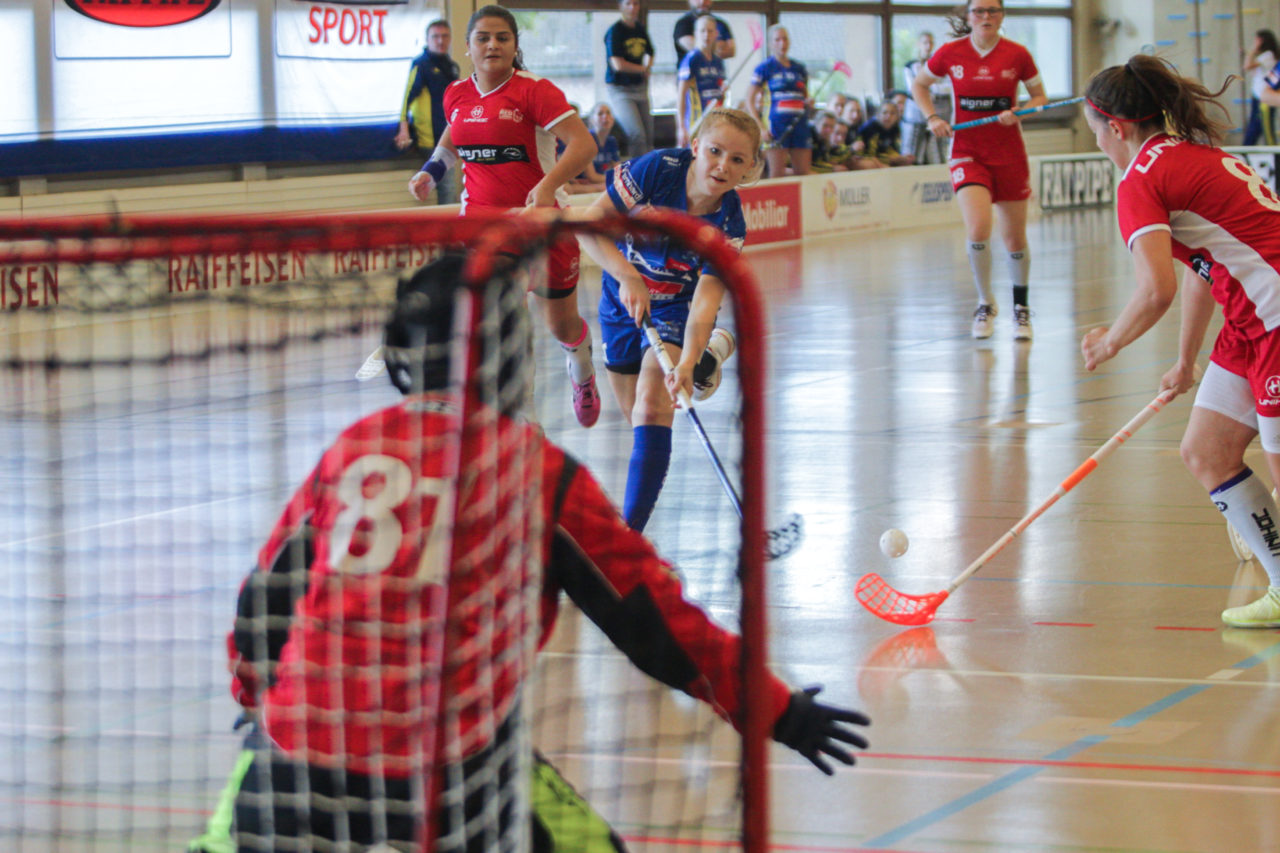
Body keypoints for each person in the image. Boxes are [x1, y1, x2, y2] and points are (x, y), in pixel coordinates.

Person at [208, 251, 871, 851]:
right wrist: (778, 709)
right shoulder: (537, 472)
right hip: (451, 776)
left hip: (293, 758)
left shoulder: (353, 448)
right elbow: (658, 629)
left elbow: (261, 603)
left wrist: (256, 704)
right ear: (508, 356)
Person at [1078, 54, 1280, 628]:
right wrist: (1186, 357)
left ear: (1114, 126)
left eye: (1095, 131)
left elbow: (1155, 289)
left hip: (1277, 319)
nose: (1098, 141)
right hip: (1249, 323)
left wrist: (1110, 343)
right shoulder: (1190, 151)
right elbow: (1199, 267)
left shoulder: (1141, 178)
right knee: (1206, 451)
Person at [407, 6, 603, 429]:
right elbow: (451, 138)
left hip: (543, 227)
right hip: (482, 228)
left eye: (502, 38)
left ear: (515, 46)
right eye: (483, 38)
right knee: (500, 320)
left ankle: (582, 368)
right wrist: (431, 171)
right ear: (469, 46)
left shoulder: (535, 91)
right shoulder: (456, 93)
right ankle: (521, 422)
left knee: (561, 324)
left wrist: (548, 186)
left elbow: (584, 146)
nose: (492, 45)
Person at [577, 107, 757, 532]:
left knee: (655, 402)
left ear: (749, 169)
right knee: (636, 417)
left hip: (678, 306)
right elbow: (588, 227)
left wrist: (688, 360)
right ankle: (710, 360)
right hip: (621, 297)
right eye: (714, 151)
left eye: (737, 160)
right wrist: (626, 274)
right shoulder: (657, 170)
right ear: (695, 147)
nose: (722, 166)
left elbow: (706, 302)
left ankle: (629, 539)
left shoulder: (728, 225)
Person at [910, 0, 1047, 341]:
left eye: (993, 11)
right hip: (967, 152)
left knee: (1014, 237)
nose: (986, 17)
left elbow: (1039, 97)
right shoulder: (950, 52)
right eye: (979, 11)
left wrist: (1021, 112)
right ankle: (985, 302)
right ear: (968, 16)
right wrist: (933, 117)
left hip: (1009, 153)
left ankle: (1021, 307)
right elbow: (919, 85)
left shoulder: (1018, 54)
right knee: (979, 227)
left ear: (1002, 16)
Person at [395, 19, 462, 205]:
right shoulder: (421, 64)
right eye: (435, 36)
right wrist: (403, 129)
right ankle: (448, 231)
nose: (440, 41)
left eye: (445, 36)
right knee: (446, 187)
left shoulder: (452, 66)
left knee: (448, 187)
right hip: (430, 138)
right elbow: (406, 98)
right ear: (427, 39)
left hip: (451, 135)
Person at [745, 25, 811, 179]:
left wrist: (809, 101)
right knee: (777, 173)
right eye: (777, 39)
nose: (782, 43)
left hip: (799, 123)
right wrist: (760, 127)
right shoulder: (764, 68)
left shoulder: (799, 68)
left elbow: (805, 94)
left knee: (803, 172)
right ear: (770, 44)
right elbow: (749, 99)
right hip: (776, 125)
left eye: (785, 39)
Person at [604, 0, 655, 158]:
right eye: (628, 4)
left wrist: (648, 67)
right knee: (636, 134)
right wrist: (643, 69)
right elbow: (617, 64)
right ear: (621, 6)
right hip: (620, 89)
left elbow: (651, 52)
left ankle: (649, 169)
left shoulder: (640, 29)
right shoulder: (615, 31)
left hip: (639, 87)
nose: (633, 8)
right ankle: (636, 174)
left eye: (636, 4)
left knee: (648, 133)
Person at [675, 14, 726, 147]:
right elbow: (681, 94)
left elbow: (720, 92)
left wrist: (722, 92)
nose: (706, 35)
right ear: (696, 33)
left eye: (710, 31)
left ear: (716, 34)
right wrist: (681, 127)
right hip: (695, 121)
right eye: (702, 31)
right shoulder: (692, 59)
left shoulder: (718, 61)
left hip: (714, 120)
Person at [902, 31, 949, 165]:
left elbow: (948, 86)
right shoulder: (910, 65)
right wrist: (928, 88)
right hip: (915, 113)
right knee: (912, 150)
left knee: (939, 149)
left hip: (938, 111)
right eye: (925, 42)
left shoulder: (939, 64)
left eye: (931, 42)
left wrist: (930, 88)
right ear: (918, 44)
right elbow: (914, 88)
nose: (928, 46)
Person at [1243, 29, 1279, 146]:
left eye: (1256, 40)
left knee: (1263, 128)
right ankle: (1246, 151)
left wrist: (1253, 50)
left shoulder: (1268, 55)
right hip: (1261, 95)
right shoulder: (1269, 58)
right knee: (1256, 127)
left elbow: (1247, 66)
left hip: (1263, 98)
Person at [673, 0, 735, 67]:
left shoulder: (721, 24)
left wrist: (704, 45)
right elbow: (697, 50)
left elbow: (731, 51)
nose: (702, 2)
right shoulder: (683, 24)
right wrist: (720, 45)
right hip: (691, 74)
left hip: (716, 73)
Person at [858, 100, 915, 167]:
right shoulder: (869, 129)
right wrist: (892, 159)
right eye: (884, 113)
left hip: (884, 159)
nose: (888, 116)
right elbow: (870, 154)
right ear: (878, 115)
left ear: (897, 117)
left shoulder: (895, 129)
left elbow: (892, 149)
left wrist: (902, 158)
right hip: (865, 158)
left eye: (892, 113)